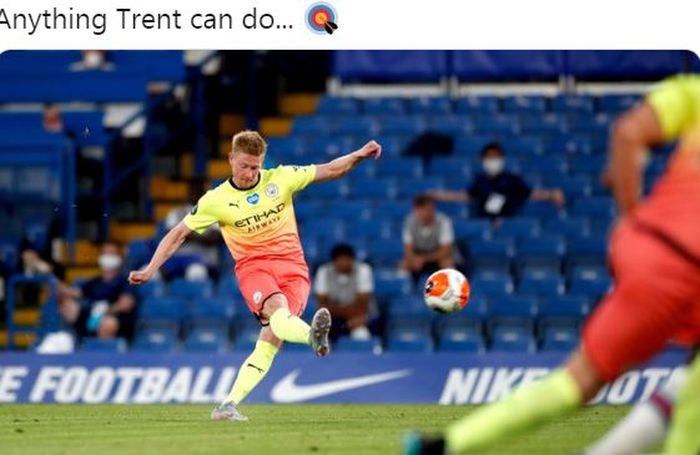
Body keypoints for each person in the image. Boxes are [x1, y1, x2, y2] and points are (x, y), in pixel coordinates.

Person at [405, 74, 700, 455]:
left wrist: (630, 219)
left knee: (580, 379)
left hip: (654, 250)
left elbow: (629, 133)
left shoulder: (692, 89)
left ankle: (446, 443)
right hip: (683, 257)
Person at [128, 130, 382, 422]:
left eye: (256, 166)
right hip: (254, 267)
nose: (250, 173)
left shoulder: (281, 178)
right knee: (276, 311)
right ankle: (310, 335)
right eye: (245, 166)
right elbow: (178, 234)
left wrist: (359, 154)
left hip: (294, 269)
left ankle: (228, 405)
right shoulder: (216, 200)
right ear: (231, 159)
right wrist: (151, 268)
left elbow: (330, 169)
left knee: (271, 338)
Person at [430, 142, 565, 218]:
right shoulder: (480, 181)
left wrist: (551, 194)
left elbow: (530, 194)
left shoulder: (512, 180)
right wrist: (438, 195)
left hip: (508, 222)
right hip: (484, 220)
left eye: (496, 157)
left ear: (502, 159)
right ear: (483, 160)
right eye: (489, 157)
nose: (493, 161)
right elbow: (463, 196)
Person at [58, 242, 137, 341]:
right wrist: (58, 286)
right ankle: (70, 342)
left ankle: (100, 351)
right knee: (67, 305)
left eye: (111, 254)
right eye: (105, 253)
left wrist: (105, 311)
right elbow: (75, 292)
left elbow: (126, 304)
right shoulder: (94, 282)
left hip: (113, 317)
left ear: (119, 257)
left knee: (108, 323)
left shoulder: (125, 281)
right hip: (92, 316)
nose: (108, 257)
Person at [314, 244, 377, 341]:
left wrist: (335, 309)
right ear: (334, 261)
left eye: (346, 260)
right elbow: (322, 306)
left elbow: (361, 307)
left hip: (359, 318)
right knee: (320, 333)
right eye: (340, 260)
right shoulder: (324, 272)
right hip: (333, 319)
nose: (343, 263)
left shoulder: (363, 270)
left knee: (361, 334)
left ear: (352, 260)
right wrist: (344, 313)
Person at [401, 194, 457, 284]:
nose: (430, 211)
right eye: (426, 209)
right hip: (418, 256)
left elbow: (446, 250)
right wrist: (414, 258)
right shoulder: (409, 222)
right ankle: (405, 292)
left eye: (431, 208)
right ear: (418, 210)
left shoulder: (443, 221)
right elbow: (408, 249)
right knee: (405, 264)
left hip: (436, 256)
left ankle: (451, 290)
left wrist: (425, 258)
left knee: (447, 263)